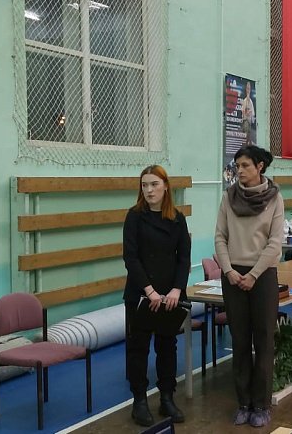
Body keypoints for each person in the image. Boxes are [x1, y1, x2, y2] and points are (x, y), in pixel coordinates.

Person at [214, 145, 283, 428]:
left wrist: (254, 274)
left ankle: (261, 405)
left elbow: (275, 242)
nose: (239, 171)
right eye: (237, 166)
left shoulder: (274, 197)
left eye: (245, 165)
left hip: (263, 276)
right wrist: (229, 270)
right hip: (233, 276)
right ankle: (243, 403)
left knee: (264, 341)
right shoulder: (228, 197)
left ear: (259, 167)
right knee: (240, 341)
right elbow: (220, 237)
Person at [123, 165, 191, 426]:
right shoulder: (134, 217)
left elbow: (183, 258)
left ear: (165, 186)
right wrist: (149, 291)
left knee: (167, 346)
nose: (149, 190)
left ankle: (166, 398)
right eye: (144, 185)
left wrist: (176, 289)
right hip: (141, 295)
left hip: (170, 295)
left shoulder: (177, 218)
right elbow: (131, 257)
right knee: (138, 348)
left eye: (154, 184)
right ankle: (139, 401)